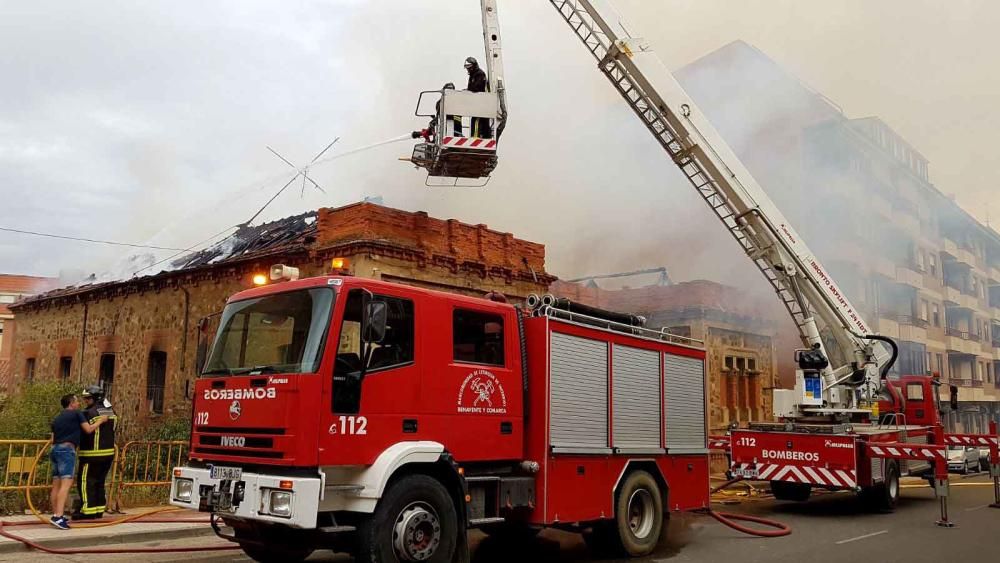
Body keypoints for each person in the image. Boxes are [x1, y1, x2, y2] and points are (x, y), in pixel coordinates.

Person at [49, 393, 107, 529]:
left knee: (56, 484)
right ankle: (58, 517)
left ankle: (55, 514)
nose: (79, 403)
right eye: (76, 401)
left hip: (55, 450)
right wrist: (101, 420)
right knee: (66, 484)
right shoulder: (77, 413)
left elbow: (52, 439)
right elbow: (88, 429)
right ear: (71, 403)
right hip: (67, 451)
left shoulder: (57, 418)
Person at [72, 385, 117, 520]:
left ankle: (88, 511)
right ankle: (98, 510)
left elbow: (83, 432)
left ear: (95, 398)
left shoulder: (88, 413)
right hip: (108, 454)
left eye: (88, 398)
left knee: (86, 482)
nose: (86, 401)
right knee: (100, 482)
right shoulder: (111, 412)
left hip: (91, 455)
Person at [464, 57, 493, 139]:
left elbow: (477, 88)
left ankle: (475, 138)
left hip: (482, 103)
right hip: (478, 103)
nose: (468, 70)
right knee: (479, 121)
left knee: (477, 120)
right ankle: (484, 137)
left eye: (469, 68)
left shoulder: (480, 74)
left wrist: (468, 91)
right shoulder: (473, 75)